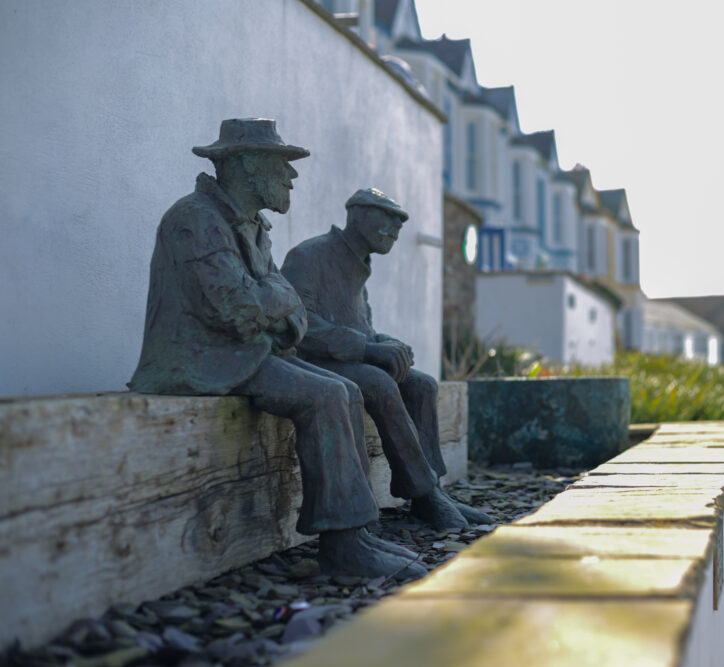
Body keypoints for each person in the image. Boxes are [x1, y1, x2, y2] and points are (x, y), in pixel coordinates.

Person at [129, 119, 424, 579]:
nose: (292, 177)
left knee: (345, 389)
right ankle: (341, 547)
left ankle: (357, 532)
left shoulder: (252, 226)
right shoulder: (194, 219)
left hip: (242, 352)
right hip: (198, 360)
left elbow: (293, 316)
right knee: (325, 396)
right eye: (282, 165)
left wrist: (273, 303)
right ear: (247, 166)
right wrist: (275, 301)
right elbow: (240, 311)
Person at [281, 188, 491, 532]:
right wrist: (367, 349)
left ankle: (429, 492)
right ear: (357, 215)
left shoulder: (358, 265)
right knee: (379, 384)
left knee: (421, 384)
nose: (395, 229)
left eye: (399, 222)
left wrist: (387, 344)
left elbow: (363, 327)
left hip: (348, 358)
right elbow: (300, 326)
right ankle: (424, 493)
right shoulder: (309, 256)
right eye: (387, 218)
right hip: (312, 362)